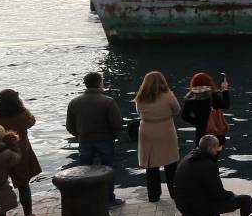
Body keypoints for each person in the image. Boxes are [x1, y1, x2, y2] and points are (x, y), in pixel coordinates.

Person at [173, 135, 252, 216]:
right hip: (194, 209)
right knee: (245, 200)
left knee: (211, 197)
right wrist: (232, 195)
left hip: (182, 205)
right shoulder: (208, 165)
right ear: (211, 148)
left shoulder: (188, 157)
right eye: (217, 148)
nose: (218, 151)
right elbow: (219, 194)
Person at [0, 88, 44, 216]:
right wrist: (23, 107)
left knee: (1, 185)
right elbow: (32, 122)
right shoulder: (22, 115)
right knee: (23, 185)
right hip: (20, 152)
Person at [66, 71, 124, 206]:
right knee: (107, 170)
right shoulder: (108, 101)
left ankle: (86, 199)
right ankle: (109, 198)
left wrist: (79, 135)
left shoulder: (74, 102)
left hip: (84, 141)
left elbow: (70, 125)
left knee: (84, 170)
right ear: (99, 83)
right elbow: (117, 124)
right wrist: (112, 136)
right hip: (105, 140)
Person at [133, 71, 182, 203]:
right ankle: (174, 193)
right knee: (171, 164)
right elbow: (177, 110)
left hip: (147, 131)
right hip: (165, 129)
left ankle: (153, 196)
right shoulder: (168, 95)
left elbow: (138, 112)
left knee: (151, 165)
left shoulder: (140, 97)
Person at [180, 71, 232, 145]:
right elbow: (226, 105)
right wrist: (225, 89)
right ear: (209, 82)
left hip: (200, 135)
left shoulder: (190, 96)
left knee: (201, 154)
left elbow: (184, 116)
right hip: (215, 133)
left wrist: (198, 122)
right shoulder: (212, 95)